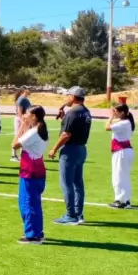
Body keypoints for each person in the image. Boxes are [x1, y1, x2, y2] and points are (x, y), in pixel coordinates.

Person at [48, 86, 92, 225]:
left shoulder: (72, 112)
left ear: (73, 97)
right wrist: (64, 119)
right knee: (78, 183)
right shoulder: (85, 111)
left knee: (66, 184)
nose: (66, 98)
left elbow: (66, 134)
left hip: (70, 150)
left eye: (68, 95)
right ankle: (78, 214)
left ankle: (70, 215)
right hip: (81, 149)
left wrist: (54, 149)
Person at [13, 106, 48, 244]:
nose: (25, 116)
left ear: (34, 116)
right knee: (34, 202)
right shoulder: (42, 130)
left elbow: (15, 144)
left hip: (30, 171)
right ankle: (37, 231)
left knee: (27, 203)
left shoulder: (34, 132)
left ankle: (32, 234)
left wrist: (22, 125)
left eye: (27, 114)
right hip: (37, 168)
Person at [106, 103, 134, 209]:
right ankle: (125, 199)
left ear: (122, 112)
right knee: (123, 176)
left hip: (121, 151)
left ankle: (121, 200)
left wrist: (111, 117)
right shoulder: (125, 122)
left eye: (116, 111)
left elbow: (107, 127)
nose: (115, 113)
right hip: (123, 151)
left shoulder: (124, 123)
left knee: (118, 176)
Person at [11, 87, 31, 162]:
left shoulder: (25, 99)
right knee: (18, 136)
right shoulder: (21, 99)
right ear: (22, 91)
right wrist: (22, 121)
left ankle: (22, 155)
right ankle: (13, 155)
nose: (28, 92)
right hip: (21, 120)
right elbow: (19, 111)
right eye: (27, 91)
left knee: (23, 137)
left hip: (24, 120)